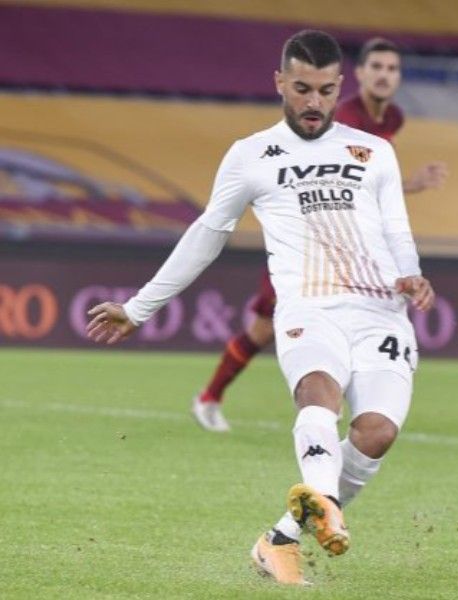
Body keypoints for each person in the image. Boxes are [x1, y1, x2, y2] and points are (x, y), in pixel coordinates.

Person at [86, 30, 435, 585]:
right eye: (301, 88)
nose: (314, 102)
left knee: (376, 433)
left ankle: (280, 540)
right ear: (279, 83)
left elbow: (396, 228)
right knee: (318, 394)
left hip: (381, 312)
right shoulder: (251, 155)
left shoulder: (375, 152)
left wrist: (410, 272)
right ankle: (324, 502)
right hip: (308, 309)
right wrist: (139, 307)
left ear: (339, 86)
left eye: (325, 90)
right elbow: (207, 234)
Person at [191, 36, 447, 432]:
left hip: (354, 254)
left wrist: (407, 186)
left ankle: (221, 398)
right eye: (376, 67)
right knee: (262, 330)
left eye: (392, 68)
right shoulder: (339, 117)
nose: (384, 75)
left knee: (267, 330)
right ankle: (212, 398)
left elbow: (364, 188)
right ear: (358, 75)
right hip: (312, 254)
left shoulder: (391, 119)